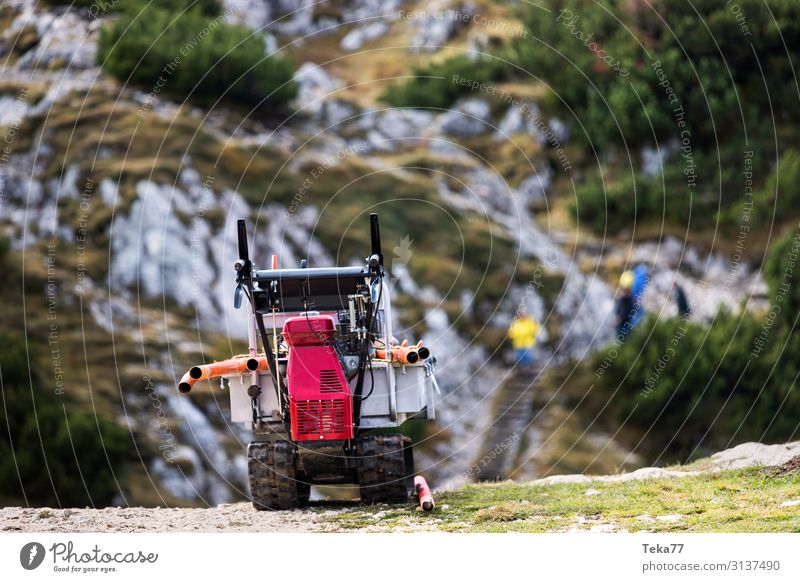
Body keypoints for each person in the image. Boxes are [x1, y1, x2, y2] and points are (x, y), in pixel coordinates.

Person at [615, 270, 635, 340]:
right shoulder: (621, 300)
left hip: (627, 327)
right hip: (622, 327)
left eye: (627, 290)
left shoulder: (629, 300)